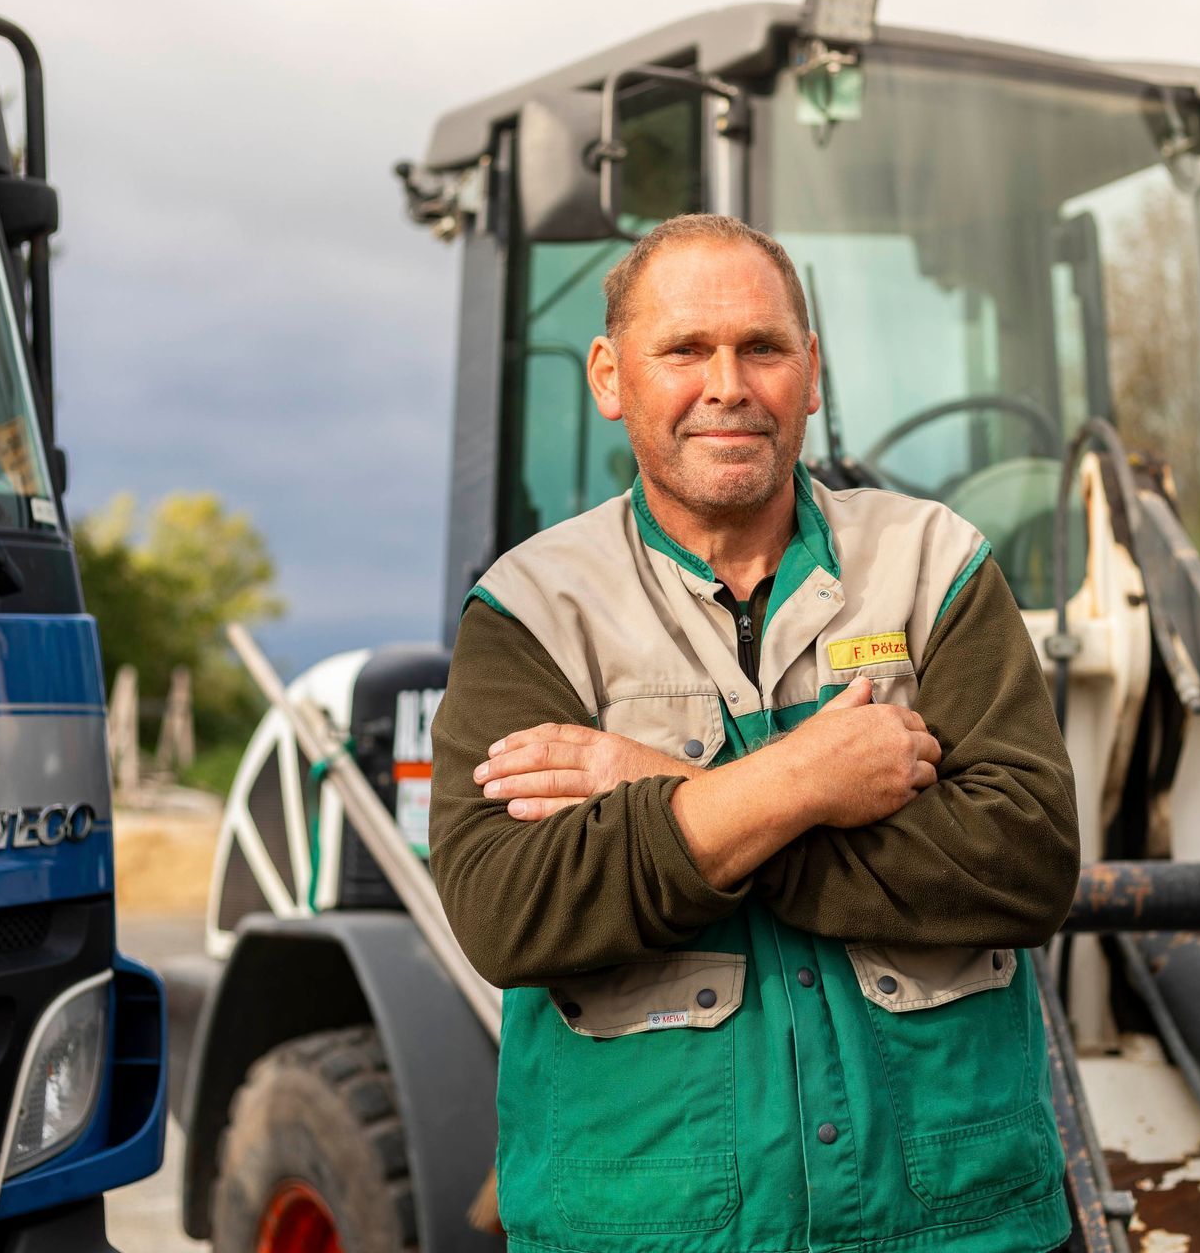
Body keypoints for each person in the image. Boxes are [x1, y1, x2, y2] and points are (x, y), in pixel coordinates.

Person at [429, 213, 1079, 1253]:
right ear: (610, 375)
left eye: (762, 348)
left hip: (957, 1223)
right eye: (685, 349)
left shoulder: (933, 564)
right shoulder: (534, 608)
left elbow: (1027, 861)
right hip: (644, 1226)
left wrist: (657, 790)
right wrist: (802, 780)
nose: (728, 384)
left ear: (810, 371)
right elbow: (511, 911)